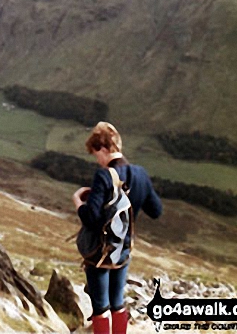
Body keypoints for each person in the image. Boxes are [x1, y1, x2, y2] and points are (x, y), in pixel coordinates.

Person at [72, 122, 162, 334]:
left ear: (103, 149)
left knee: (101, 305)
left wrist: (77, 201)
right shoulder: (141, 174)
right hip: (123, 250)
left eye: (96, 155)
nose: (98, 161)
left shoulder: (104, 176)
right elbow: (156, 210)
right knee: (117, 302)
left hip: (100, 253)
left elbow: (92, 218)